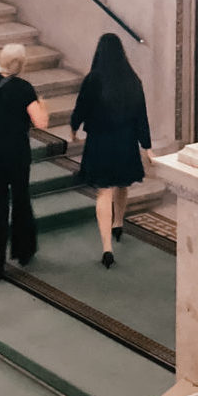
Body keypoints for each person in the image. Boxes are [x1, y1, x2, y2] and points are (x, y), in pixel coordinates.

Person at [70, 33, 152, 269]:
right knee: (123, 184)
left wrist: (74, 129)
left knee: (104, 192)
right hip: (125, 141)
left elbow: (81, 108)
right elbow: (141, 116)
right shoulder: (132, 79)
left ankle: (107, 247)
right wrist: (146, 146)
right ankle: (118, 223)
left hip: (100, 141)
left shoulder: (93, 79)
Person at [0, 44, 48, 281]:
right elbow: (40, 122)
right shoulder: (24, 89)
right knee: (20, 200)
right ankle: (24, 250)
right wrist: (43, 106)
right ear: (21, 64)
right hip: (16, 154)